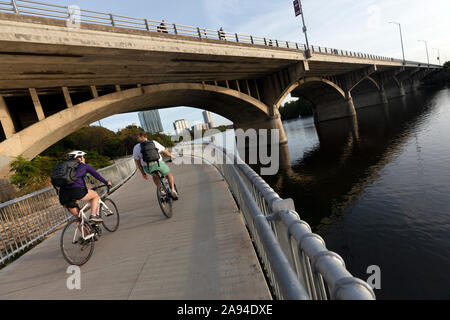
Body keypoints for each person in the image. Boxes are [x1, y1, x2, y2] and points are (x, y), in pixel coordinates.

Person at [58, 151, 112, 223]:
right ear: (79, 158)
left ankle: (88, 233)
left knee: (80, 219)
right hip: (76, 191)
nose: (84, 158)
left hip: (63, 195)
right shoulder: (84, 166)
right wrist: (106, 182)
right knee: (95, 195)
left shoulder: (63, 168)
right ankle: (93, 215)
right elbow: (97, 175)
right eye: (83, 157)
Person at [133, 132, 178, 199]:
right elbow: (164, 151)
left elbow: (138, 163)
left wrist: (143, 173)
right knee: (169, 174)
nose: (137, 138)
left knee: (154, 176)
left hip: (148, 167)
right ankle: (173, 190)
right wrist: (171, 156)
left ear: (141, 137)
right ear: (146, 137)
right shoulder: (153, 142)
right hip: (159, 164)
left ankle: (161, 190)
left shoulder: (136, 147)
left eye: (138, 137)